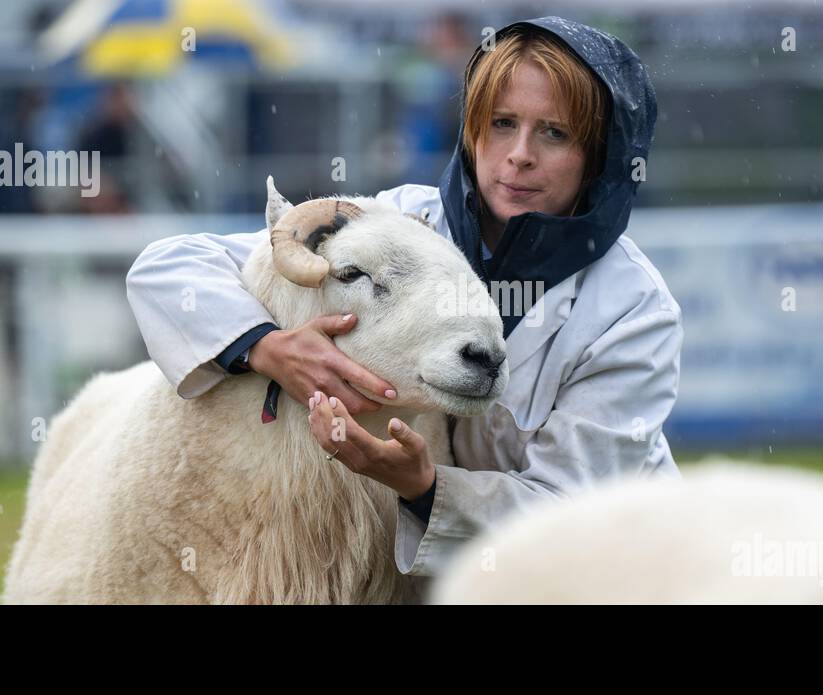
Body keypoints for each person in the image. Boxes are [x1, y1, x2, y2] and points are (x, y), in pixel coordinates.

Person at [125, 16, 682, 577]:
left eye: (554, 133)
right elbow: (171, 268)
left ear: (601, 156)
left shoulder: (631, 309)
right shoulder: (405, 223)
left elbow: (575, 517)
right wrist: (270, 348)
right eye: (502, 123)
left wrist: (423, 487)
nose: (519, 154)